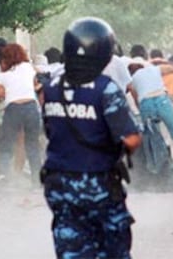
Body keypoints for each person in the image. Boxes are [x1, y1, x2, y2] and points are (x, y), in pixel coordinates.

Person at [40, 17, 142, 259]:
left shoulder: (51, 87)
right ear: (105, 53)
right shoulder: (105, 89)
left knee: (71, 247)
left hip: (58, 182)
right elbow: (131, 139)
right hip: (97, 184)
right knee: (113, 249)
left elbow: (49, 128)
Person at [0, 43, 41, 187]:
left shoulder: (0, 76)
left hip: (13, 109)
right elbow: (35, 83)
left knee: (6, 145)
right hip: (31, 107)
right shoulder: (28, 68)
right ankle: (36, 181)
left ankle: (2, 179)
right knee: (32, 146)